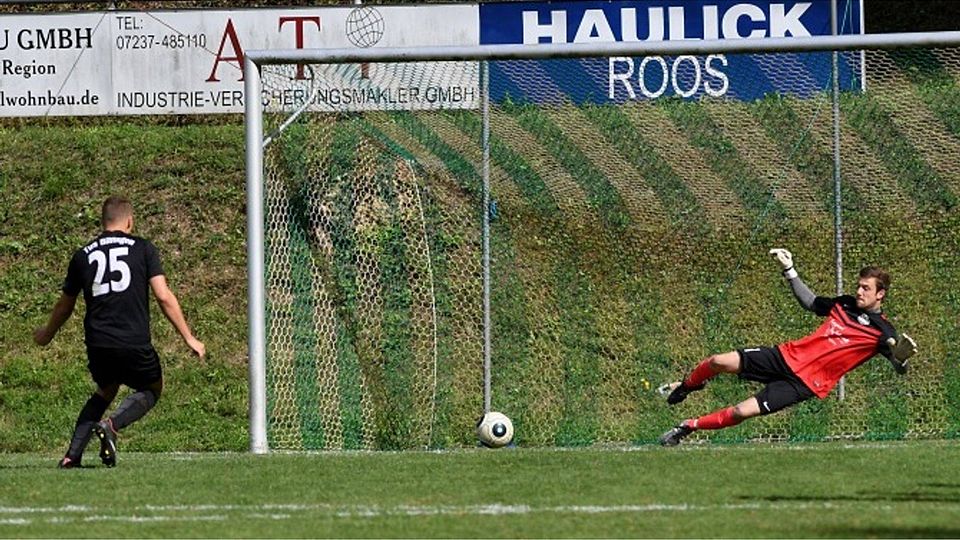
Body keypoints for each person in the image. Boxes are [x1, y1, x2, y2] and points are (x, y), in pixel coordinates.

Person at [658, 248, 916, 446]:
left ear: (880, 294)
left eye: (866, 288)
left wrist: (901, 359)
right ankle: (688, 386)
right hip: (786, 356)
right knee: (718, 361)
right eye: (859, 285)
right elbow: (811, 303)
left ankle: (688, 426)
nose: (859, 291)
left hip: (805, 383)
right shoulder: (845, 303)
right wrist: (789, 269)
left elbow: (898, 367)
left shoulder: (884, 332)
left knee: (740, 411)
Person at [34, 196, 205, 468]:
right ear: (129, 222)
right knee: (152, 387)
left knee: (106, 388)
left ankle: (71, 457)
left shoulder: (82, 255)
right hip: (133, 340)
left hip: (98, 343)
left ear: (103, 222)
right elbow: (163, 296)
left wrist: (47, 333)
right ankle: (111, 425)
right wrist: (188, 337)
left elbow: (65, 305)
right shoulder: (144, 249)